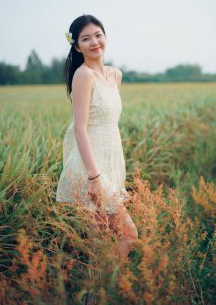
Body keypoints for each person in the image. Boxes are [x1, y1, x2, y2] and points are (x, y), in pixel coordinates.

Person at [56, 14, 138, 262]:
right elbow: (80, 128)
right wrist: (94, 178)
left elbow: (108, 124)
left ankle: (99, 295)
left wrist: (111, 175)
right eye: (85, 38)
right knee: (128, 235)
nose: (94, 42)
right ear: (77, 46)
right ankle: (104, 292)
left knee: (101, 247)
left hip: (109, 163)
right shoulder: (83, 76)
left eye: (98, 35)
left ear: (105, 37)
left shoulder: (115, 75)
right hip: (90, 169)